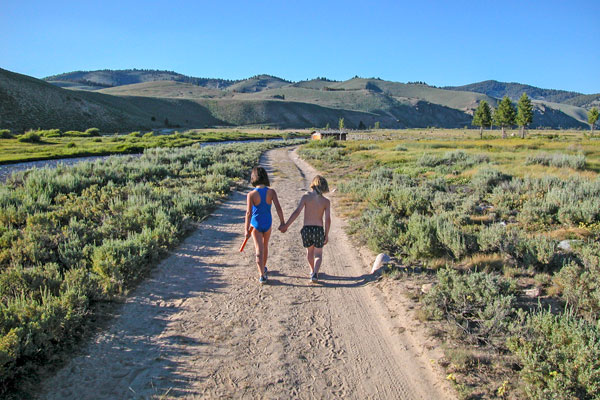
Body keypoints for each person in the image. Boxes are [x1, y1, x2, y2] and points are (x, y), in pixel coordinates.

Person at [280, 175, 331, 282]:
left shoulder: (306, 197)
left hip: (307, 229)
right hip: (318, 230)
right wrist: (326, 234)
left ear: (312, 185)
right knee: (318, 254)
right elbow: (328, 219)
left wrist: (286, 225)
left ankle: (312, 270)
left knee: (309, 253)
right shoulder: (326, 201)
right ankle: (315, 273)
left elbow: (296, 212)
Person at [245, 166, 285, 284]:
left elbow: (248, 213)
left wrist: (246, 229)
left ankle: (262, 274)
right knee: (265, 246)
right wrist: (282, 222)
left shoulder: (251, 194)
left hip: (255, 224)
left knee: (258, 249)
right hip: (267, 223)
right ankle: (264, 266)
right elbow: (278, 208)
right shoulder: (271, 192)